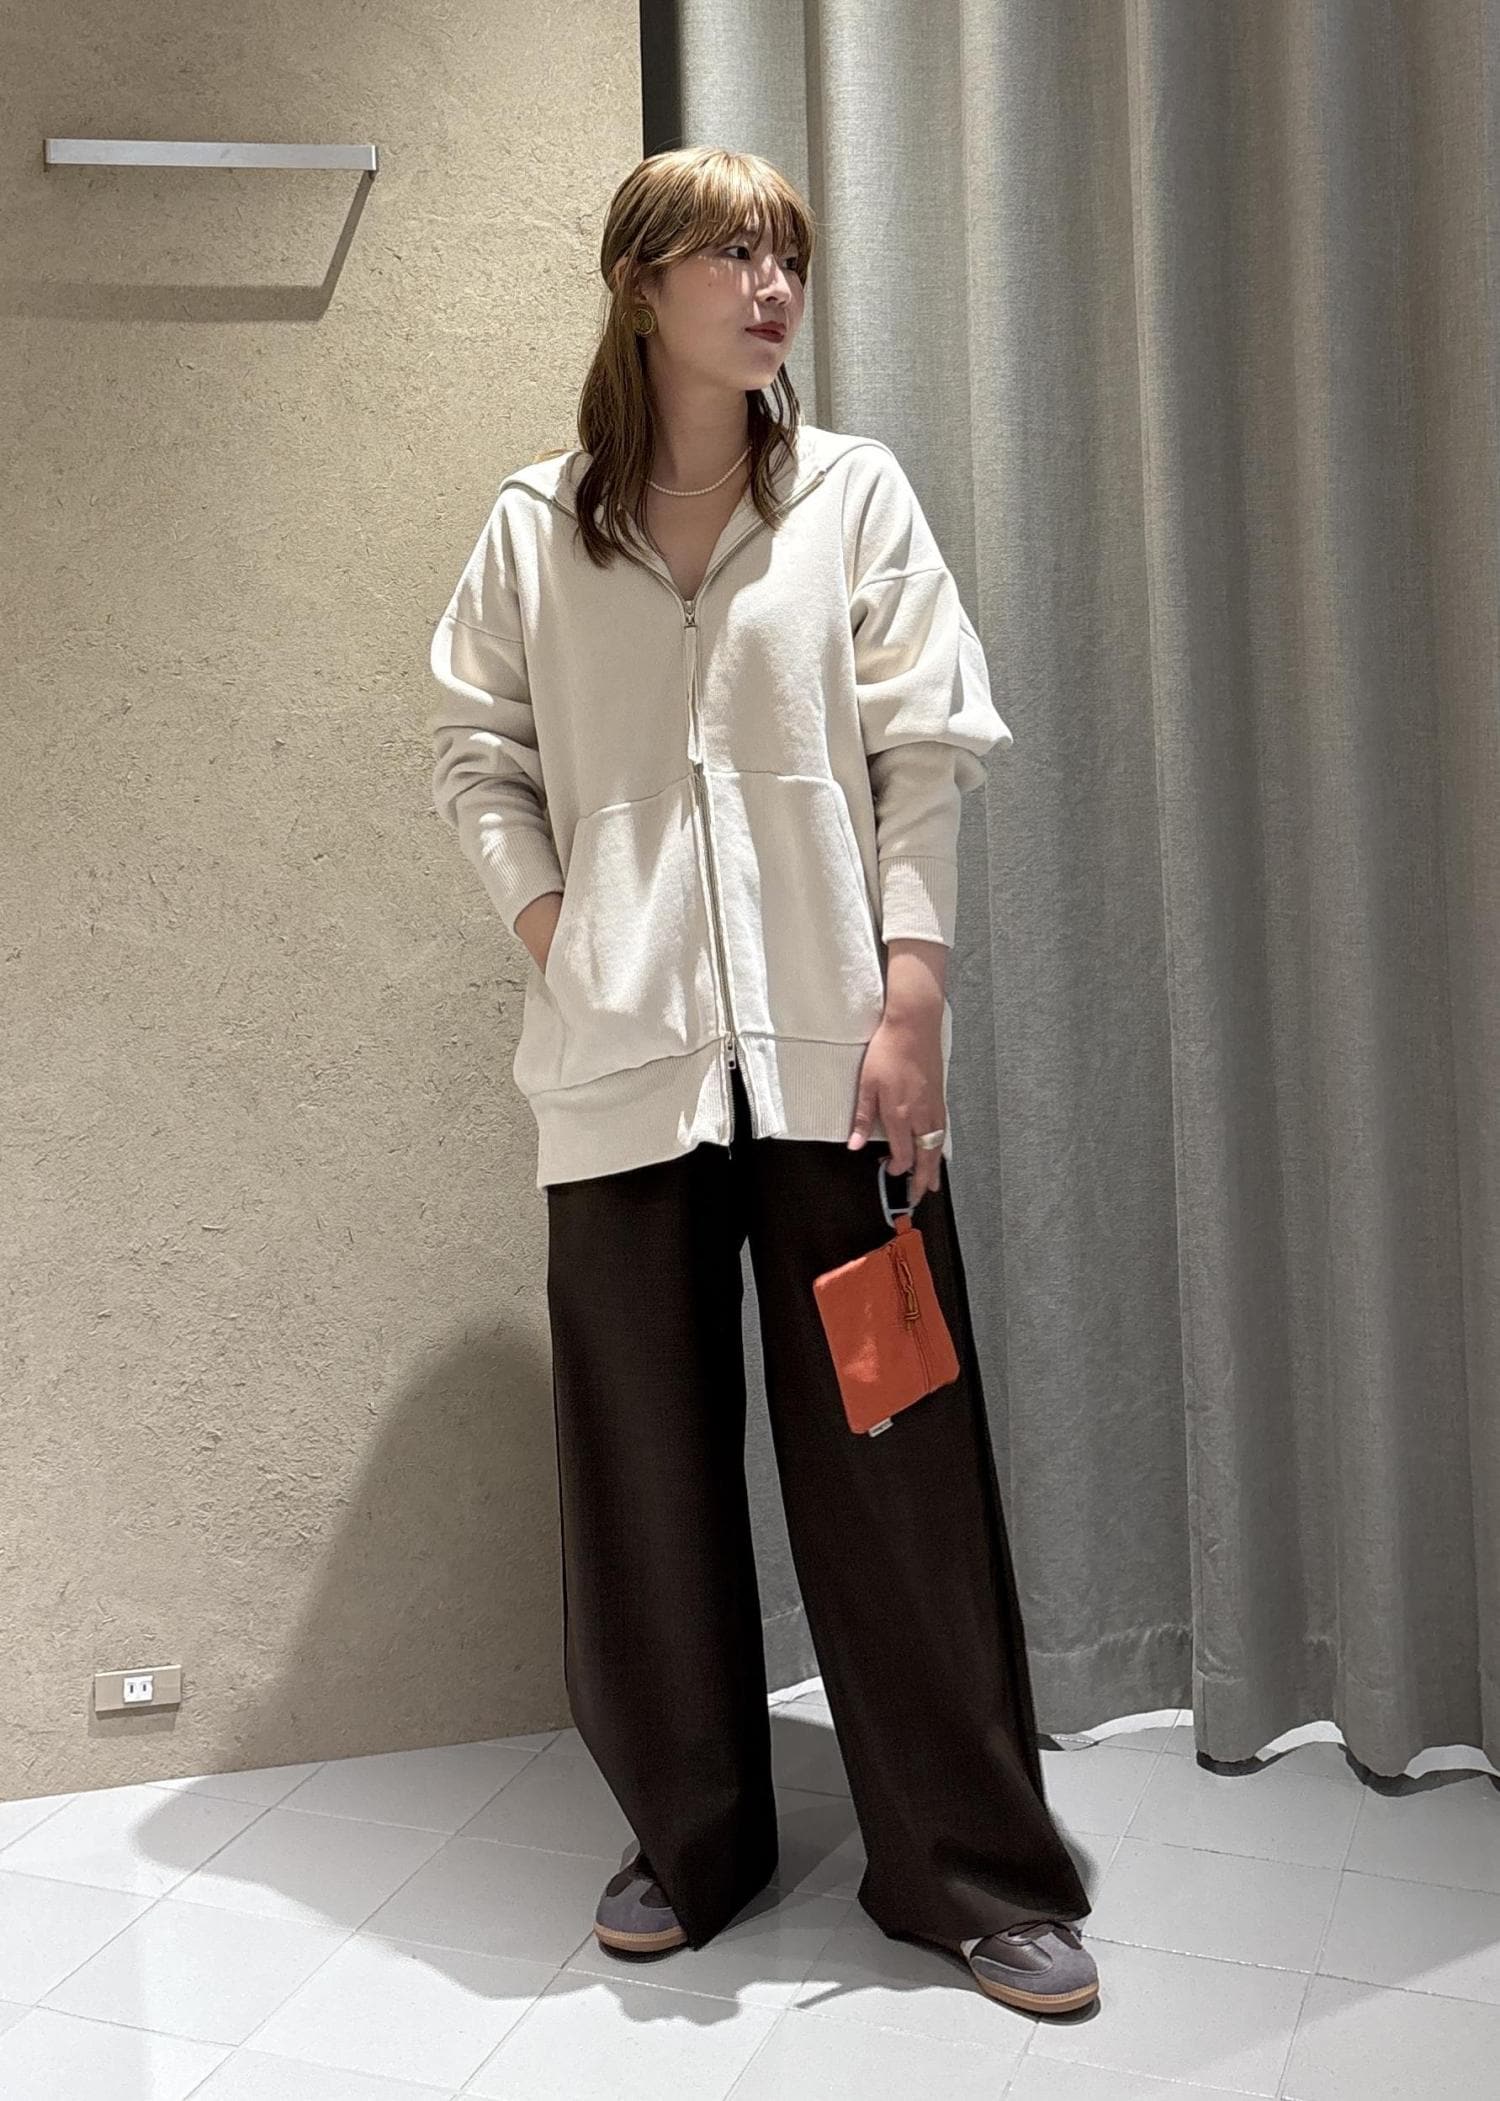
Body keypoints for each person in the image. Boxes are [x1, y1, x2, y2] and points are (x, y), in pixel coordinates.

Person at [426, 146, 1098, 2017]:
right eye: (731, 252)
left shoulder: (851, 500)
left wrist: (912, 1000)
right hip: (619, 1080)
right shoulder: (536, 528)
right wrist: (561, 930)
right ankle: (689, 1834)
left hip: (836, 1075)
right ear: (642, 286)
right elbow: (475, 750)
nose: (771, 283)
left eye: (786, 252)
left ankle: (972, 1869)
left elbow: (922, 753)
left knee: (899, 1459)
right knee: (641, 1471)